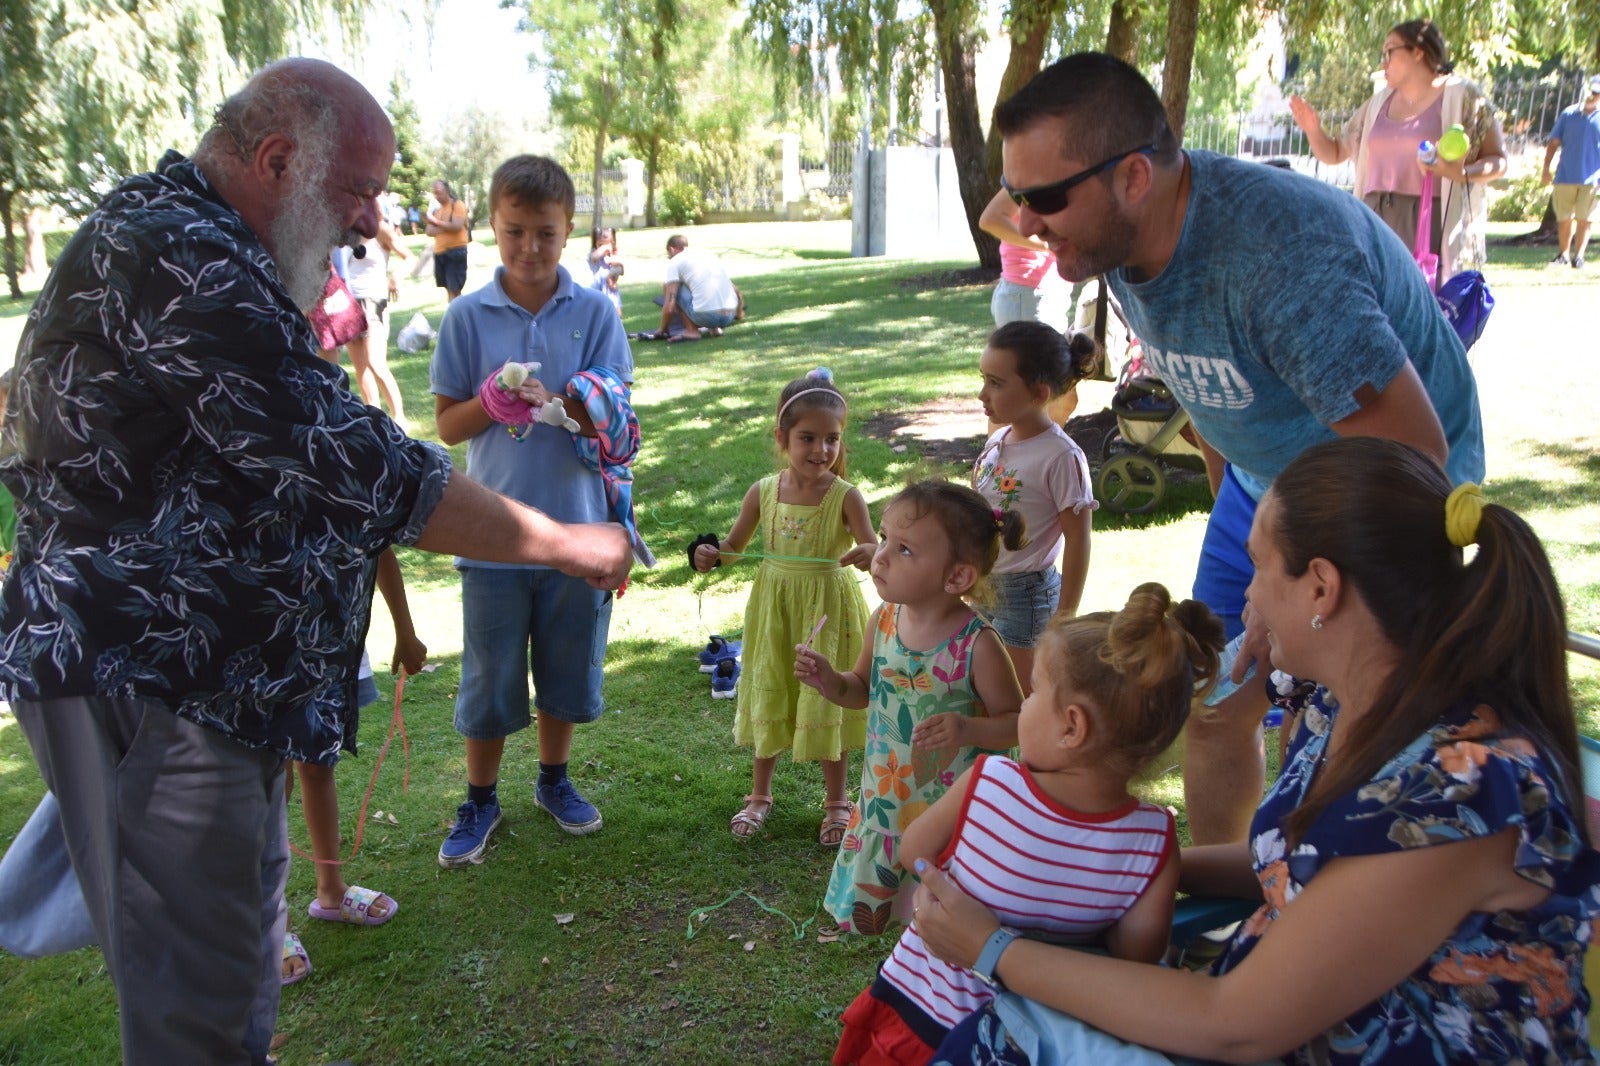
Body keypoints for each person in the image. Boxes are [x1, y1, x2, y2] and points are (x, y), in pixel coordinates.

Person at [0, 58, 632, 1065]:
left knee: (230, 959)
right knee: (192, 1000)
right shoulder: (179, 256)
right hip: (162, 686)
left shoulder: (203, 241)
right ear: (277, 160)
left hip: (222, 691)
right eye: (359, 191)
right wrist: (562, 540)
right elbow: (354, 459)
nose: (372, 221)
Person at [915, 437, 1599, 1065]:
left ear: (1321, 590)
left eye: (1260, 567)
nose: (1247, 595)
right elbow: (1307, 868)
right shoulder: (1344, 703)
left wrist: (992, 948)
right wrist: (1131, 867)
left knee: (995, 1043)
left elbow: (1236, 1023)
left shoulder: (1462, 788)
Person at [994, 51, 1484, 846]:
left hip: (1387, 495)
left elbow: (1412, 450)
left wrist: (1286, 570)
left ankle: (1307, 925)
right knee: (1217, 706)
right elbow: (1204, 381)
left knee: (1325, 722)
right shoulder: (1117, 242)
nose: (1023, 221)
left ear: (1133, 179)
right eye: (1017, 196)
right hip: (1266, 490)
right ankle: (1237, 902)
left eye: (1043, 197)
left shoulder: (1277, 260)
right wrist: (1244, 517)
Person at [833, 583, 1223, 1066]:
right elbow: (1134, 955)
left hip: (919, 1013)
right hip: (1027, 1045)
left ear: (1071, 727)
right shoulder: (1154, 842)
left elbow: (912, 847)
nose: (1026, 705)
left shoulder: (988, 783)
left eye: (1035, 692)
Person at [429, 154, 634, 867]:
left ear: (569, 229)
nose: (530, 248)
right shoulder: (465, 317)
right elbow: (447, 427)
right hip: (490, 535)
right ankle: (480, 798)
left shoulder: (597, 312)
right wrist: (488, 403)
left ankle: (553, 780)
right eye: (515, 232)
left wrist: (571, 402)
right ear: (492, 225)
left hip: (576, 530)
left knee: (565, 665)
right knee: (488, 674)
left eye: (545, 233)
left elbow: (614, 417)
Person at [797, 480, 1025, 936]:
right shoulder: (883, 620)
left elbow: (1019, 723)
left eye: (904, 550)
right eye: (884, 538)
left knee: (949, 923)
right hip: (888, 795)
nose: (879, 555)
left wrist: (967, 728)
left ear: (957, 577)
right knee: (904, 916)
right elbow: (860, 688)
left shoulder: (977, 645)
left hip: (953, 812)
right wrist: (831, 682)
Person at [690, 368, 878, 844]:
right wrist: (708, 555)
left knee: (826, 693)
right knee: (772, 686)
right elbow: (733, 546)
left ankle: (837, 803)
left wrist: (873, 554)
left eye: (832, 439)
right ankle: (759, 795)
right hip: (775, 610)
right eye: (807, 438)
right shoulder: (763, 492)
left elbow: (875, 551)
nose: (821, 450)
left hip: (826, 613)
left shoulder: (845, 497)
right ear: (782, 437)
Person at [1288, 18, 1506, 287]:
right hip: (1373, 220)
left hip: (1429, 225)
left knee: (1421, 315)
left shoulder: (1462, 96)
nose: (1383, 63)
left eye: (1389, 52)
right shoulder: (1378, 102)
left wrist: (1461, 173)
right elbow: (1334, 152)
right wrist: (1313, 130)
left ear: (1418, 51)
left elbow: (1498, 161)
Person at [291, 549, 423, 942]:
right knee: (267, 776)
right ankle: (266, 916)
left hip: (332, 640)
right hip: (266, 638)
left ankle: (330, 889)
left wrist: (405, 629)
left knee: (317, 764)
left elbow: (378, 544)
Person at [972, 322, 1099, 694]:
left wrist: (1065, 616)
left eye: (996, 383)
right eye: (984, 379)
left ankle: (1032, 755)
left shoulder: (1061, 457)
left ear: (1039, 393)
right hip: (982, 586)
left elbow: (1079, 540)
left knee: (1022, 699)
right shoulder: (997, 440)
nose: (983, 393)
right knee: (981, 691)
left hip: (1025, 598)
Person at [344, 220, 413, 423]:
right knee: (361, 367)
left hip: (374, 300)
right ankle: (376, 418)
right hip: (348, 301)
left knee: (376, 362)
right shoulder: (341, 227)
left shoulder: (379, 228)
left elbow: (409, 257)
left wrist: (396, 277)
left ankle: (400, 418)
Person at [1542, 75, 1600, 269]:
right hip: (1566, 175)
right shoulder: (1569, 114)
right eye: (1592, 92)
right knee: (1564, 218)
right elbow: (1553, 143)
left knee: (1586, 219)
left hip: (1593, 178)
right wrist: (1545, 169)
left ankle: (1579, 256)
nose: (1594, 96)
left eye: (1598, 93)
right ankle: (1563, 254)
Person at [654, 233, 744, 342]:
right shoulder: (707, 255)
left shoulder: (675, 261)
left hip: (707, 316)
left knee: (671, 287)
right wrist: (739, 314)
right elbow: (736, 292)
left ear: (671, 250)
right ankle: (715, 329)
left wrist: (663, 329)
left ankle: (691, 331)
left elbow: (670, 305)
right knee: (702, 286)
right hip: (729, 316)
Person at [426, 178, 471, 301]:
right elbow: (429, 231)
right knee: (448, 289)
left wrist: (437, 222)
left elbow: (457, 226)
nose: (437, 196)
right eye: (435, 193)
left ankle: (458, 317)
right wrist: (446, 226)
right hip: (440, 253)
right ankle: (455, 315)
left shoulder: (457, 205)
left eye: (439, 192)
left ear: (447, 190)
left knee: (454, 290)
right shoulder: (438, 210)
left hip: (455, 252)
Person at [589, 225, 624, 316]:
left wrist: (617, 266)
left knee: (617, 314)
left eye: (608, 244)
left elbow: (621, 270)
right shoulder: (594, 255)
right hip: (598, 289)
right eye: (600, 245)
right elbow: (594, 257)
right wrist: (605, 247)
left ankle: (617, 329)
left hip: (611, 290)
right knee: (599, 315)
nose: (604, 248)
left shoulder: (613, 255)